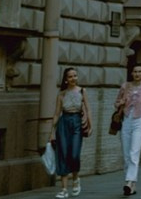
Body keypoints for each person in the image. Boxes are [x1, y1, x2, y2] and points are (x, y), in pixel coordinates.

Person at [114, 61, 141, 197]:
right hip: (126, 121)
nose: (137, 74)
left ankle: (129, 181)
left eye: (139, 71)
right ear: (131, 73)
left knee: (134, 152)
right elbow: (116, 103)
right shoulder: (125, 86)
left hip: (139, 121)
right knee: (126, 154)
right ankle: (132, 185)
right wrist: (119, 103)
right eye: (135, 71)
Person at [50, 66, 91, 199]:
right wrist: (52, 132)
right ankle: (63, 189)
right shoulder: (61, 94)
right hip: (64, 123)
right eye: (70, 76)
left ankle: (76, 179)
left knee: (74, 154)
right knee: (62, 154)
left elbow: (88, 109)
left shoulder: (82, 91)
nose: (73, 78)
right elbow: (56, 114)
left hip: (77, 123)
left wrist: (90, 125)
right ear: (66, 79)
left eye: (75, 76)